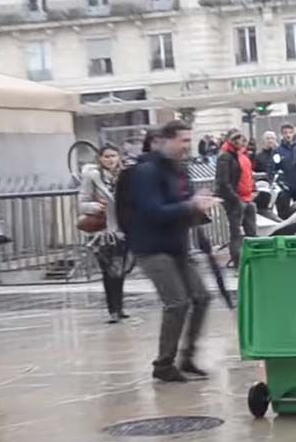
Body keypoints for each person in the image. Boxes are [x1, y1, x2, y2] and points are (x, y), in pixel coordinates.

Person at [126, 121, 220, 382]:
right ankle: (164, 364)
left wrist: (199, 205)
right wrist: (191, 204)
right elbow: (152, 211)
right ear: (164, 141)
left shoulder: (179, 170)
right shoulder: (146, 172)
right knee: (177, 302)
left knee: (201, 296)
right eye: (182, 141)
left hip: (177, 246)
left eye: (189, 141)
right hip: (152, 248)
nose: (186, 146)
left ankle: (188, 358)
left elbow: (183, 204)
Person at [79, 144, 132, 323]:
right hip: (102, 231)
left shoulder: (126, 176)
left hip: (122, 229)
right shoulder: (92, 177)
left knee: (121, 270)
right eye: (107, 156)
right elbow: (82, 203)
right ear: (100, 159)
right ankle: (113, 310)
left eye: (114, 156)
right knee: (109, 271)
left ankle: (119, 306)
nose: (110, 160)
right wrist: (96, 206)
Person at [216, 130, 257, 267]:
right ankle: (238, 262)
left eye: (241, 139)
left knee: (251, 230)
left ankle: (252, 258)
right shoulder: (225, 157)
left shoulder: (241, 155)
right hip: (235, 199)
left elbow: (248, 174)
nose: (240, 142)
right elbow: (223, 182)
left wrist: (253, 190)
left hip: (246, 198)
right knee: (236, 232)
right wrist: (235, 199)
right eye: (236, 139)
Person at [276, 124, 296, 198]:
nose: (288, 135)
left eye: (290, 132)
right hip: (285, 186)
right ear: (281, 134)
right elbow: (274, 167)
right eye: (285, 133)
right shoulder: (277, 151)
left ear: (293, 134)